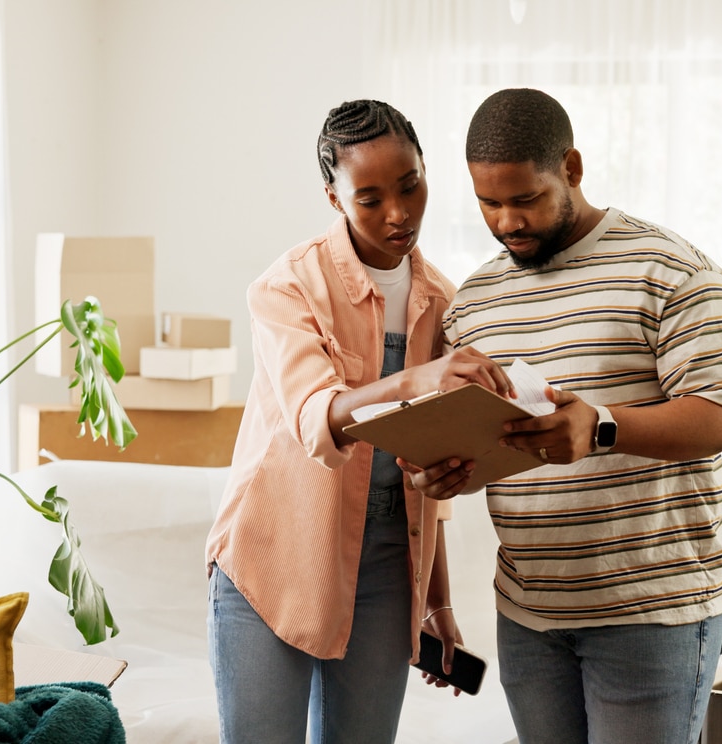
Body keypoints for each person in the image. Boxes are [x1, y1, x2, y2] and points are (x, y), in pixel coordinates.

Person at [405, 88, 722, 744]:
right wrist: (450, 472)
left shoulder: (671, 269)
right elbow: (492, 443)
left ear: (571, 167)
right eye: (488, 202)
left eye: (525, 198)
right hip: (529, 613)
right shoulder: (472, 304)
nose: (507, 221)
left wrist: (600, 425)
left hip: (653, 612)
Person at [203, 99, 512, 744]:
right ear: (334, 198)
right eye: (369, 198)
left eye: (410, 186)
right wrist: (417, 379)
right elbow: (316, 418)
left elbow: (428, 486)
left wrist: (437, 602)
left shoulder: (445, 303)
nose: (398, 214)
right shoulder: (286, 287)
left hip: (387, 568)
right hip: (276, 554)